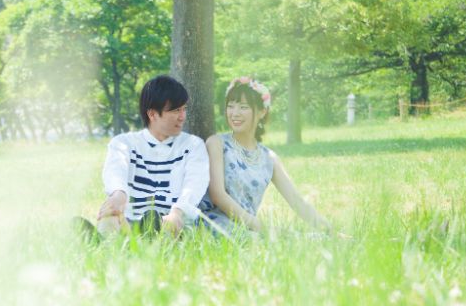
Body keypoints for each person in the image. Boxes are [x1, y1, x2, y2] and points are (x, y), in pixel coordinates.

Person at [199, 77, 332, 235]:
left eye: (243, 107)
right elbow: (218, 195)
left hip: (249, 229)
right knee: (284, 238)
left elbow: (297, 202)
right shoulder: (217, 143)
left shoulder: (269, 158)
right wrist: (261, 228)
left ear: (262, 112)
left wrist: (329, 230)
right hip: (215, 225)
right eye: (230, 106)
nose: (235, 113)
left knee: (311, 239)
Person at [94, 75, 209, 237]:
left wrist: (178, 212)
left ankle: (126, 239)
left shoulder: (193, 145)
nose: (182, 116)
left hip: (172, 220)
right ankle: (97, 238)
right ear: (153, 114)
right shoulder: (124, 143)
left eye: (184, 109)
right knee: (109, 218)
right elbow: (115, 170)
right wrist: (118, 194)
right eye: (176, 110)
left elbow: (195, 183)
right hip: (129, 220)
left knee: (161, 226)